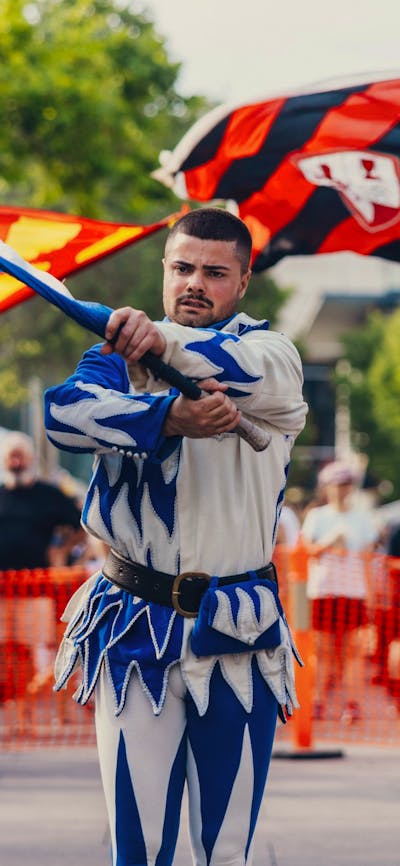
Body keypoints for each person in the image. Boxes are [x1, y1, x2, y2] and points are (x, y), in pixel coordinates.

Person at [44, 207, 307, 866]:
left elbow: (236, 368)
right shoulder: (114, 356)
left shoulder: (273, 357)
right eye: (183, 268)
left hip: (237, 628)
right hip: (134, 623)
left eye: (215, 272)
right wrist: (165, 418)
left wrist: (157, 344)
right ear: (164, 271)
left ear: (243, 281)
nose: (195, 283)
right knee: (141, 847)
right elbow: (63, 417)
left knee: (225, 850)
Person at [0, 430, 82, 730]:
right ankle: (14, 716)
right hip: (2, 591)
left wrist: (62, 552)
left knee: (34, 652)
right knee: (6, 653)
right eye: (11, 456)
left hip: (35, 588)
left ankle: (30, 715)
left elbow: (82, 524)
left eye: (20, 455)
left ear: (31, 458)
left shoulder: (48, 495)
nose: (16, 462)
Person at [301, 459, 378, 725]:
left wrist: (371, 596)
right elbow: (306, 553)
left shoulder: (363, 519)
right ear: (327, 487)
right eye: (337, 484)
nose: (342, 489)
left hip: (353, 592)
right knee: (321, 651)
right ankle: (318, 701)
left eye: (346, 484)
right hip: (322, 592)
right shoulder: (317, 516)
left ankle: (352, 704)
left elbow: (368, 560)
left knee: (352, 652)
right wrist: (329, 542)